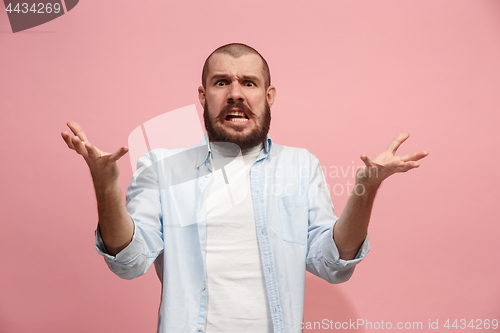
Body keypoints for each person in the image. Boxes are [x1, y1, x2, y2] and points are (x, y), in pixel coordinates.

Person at [61, 43, 428, 333]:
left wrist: (365, 189)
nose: (235, 93)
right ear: (203, 97)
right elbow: (130, 262)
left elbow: (333, 263)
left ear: (268, 97)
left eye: (248, 83)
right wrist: (106, 187)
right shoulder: (161, 167)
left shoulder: (301, 166)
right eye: (222, 82)